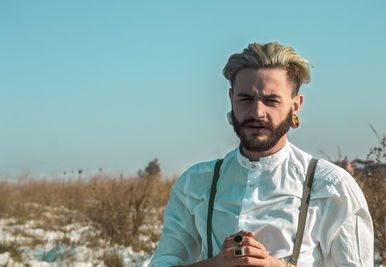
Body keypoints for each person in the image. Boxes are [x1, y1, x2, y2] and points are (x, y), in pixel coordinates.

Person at [149, 41, 374, 267]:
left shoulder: (332, 187)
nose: (257, 112)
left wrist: (276, 265)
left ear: (295, 106)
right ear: (231, 99)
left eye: (271, 100)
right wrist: (216, 264)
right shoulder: (196, 184)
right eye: (246, 99)